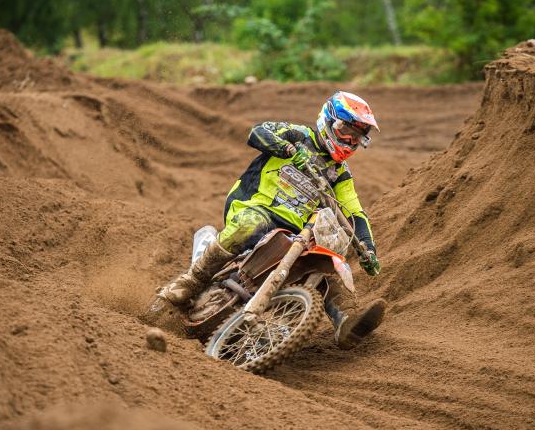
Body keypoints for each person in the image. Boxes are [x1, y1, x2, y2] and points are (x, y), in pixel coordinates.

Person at [156, 91, 385, 349]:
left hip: (295, 231)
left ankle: (346, 321)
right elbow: (258, 132)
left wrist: (367, 249)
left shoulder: (340, 174)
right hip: (256, 207)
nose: (349, 141)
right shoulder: (299, 135)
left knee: (326, 263)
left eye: (356, 138)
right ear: (328, 121)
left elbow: (355, 212)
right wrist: (286, 149)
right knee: (252, 223)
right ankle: (192, 280)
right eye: (345, 131)